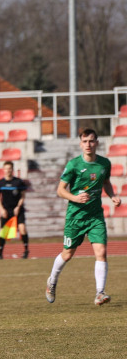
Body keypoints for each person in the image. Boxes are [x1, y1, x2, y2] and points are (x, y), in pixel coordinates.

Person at [46, 128, 121, 305]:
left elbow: (106, 182)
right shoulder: (73, 165)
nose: (88, 144)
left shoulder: (104, 164)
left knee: (101, 252)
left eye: (91, 141)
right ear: (81, 144)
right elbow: (60, 190)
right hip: (76, 217)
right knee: (68, 254)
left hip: (95, 216)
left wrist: (112, 196)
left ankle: (99, 293)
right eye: (85, 141)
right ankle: (52, 282)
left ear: (97, 143)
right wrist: (76, 198)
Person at [0, 160, 29, 259]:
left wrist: (18, 206)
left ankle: (26, 250)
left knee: (22, 229)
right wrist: (2, 209)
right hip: (6, 210)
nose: (8, 170)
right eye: (6, 169)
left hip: (17, 210)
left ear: (12, 170)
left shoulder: (18, 182)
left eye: (9, 169)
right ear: (3, 170)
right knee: (3, 232)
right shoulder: (0, 183)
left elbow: (22, 196)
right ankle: (0, 253)